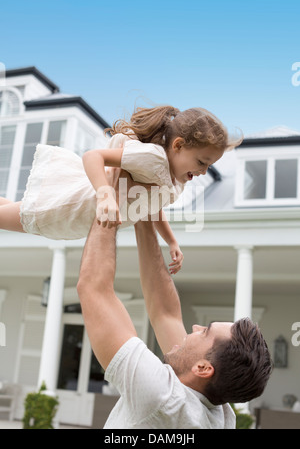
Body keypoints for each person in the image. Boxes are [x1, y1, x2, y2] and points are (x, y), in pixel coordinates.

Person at [77, 170, 273, 429]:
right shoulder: (220, 415)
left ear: (203, 368)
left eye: (205, 332)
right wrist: (144, 210)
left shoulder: (162, 397)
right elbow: (165, 313)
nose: (195, 327)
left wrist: (112, 188)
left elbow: (94, 287)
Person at [0, 105, 240, 274]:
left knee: (9, 209)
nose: (204, 171)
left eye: (209, 165)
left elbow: (151, 208)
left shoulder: (172, 180)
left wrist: (171, 241)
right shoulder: (153, 158)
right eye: (201, 162)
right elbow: (93, 156)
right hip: (70, 209)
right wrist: (105, 195)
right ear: (178, 145)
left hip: (77, 218)